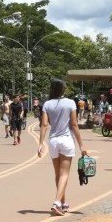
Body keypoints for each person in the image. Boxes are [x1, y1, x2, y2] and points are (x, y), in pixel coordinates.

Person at [38, 79, 87, 216]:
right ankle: (57, 202)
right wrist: (81, 145)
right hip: (66, 140)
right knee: (64, 174)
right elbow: (74, 124)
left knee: (58, 174)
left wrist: (40, 144)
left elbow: (44, 125)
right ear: (63, 90)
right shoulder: (70, 103)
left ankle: (63, 204)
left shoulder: (47, 104)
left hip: (53, 141)